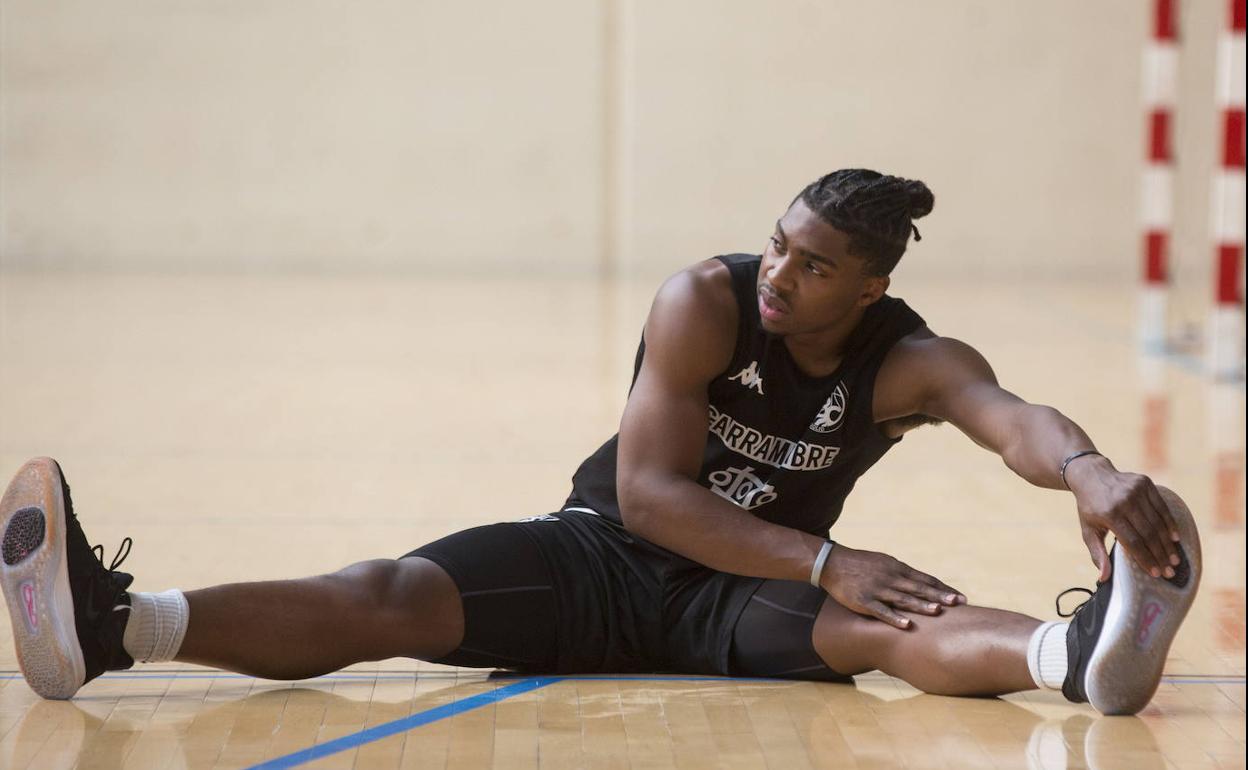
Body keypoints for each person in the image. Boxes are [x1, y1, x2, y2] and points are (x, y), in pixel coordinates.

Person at [1, 169, 1200, 715]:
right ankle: (114, 626)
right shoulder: (706, 300)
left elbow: (1012, 419)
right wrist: (827, 556)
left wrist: (1091, 470)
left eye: (815, 265)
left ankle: (1077, 648)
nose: (781, 272)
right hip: (604, 551)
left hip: (747, 592)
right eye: (778, 242)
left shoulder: (908, 356)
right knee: (388, 590)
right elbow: (651, 495)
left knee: (900, 621)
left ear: (871, 283)